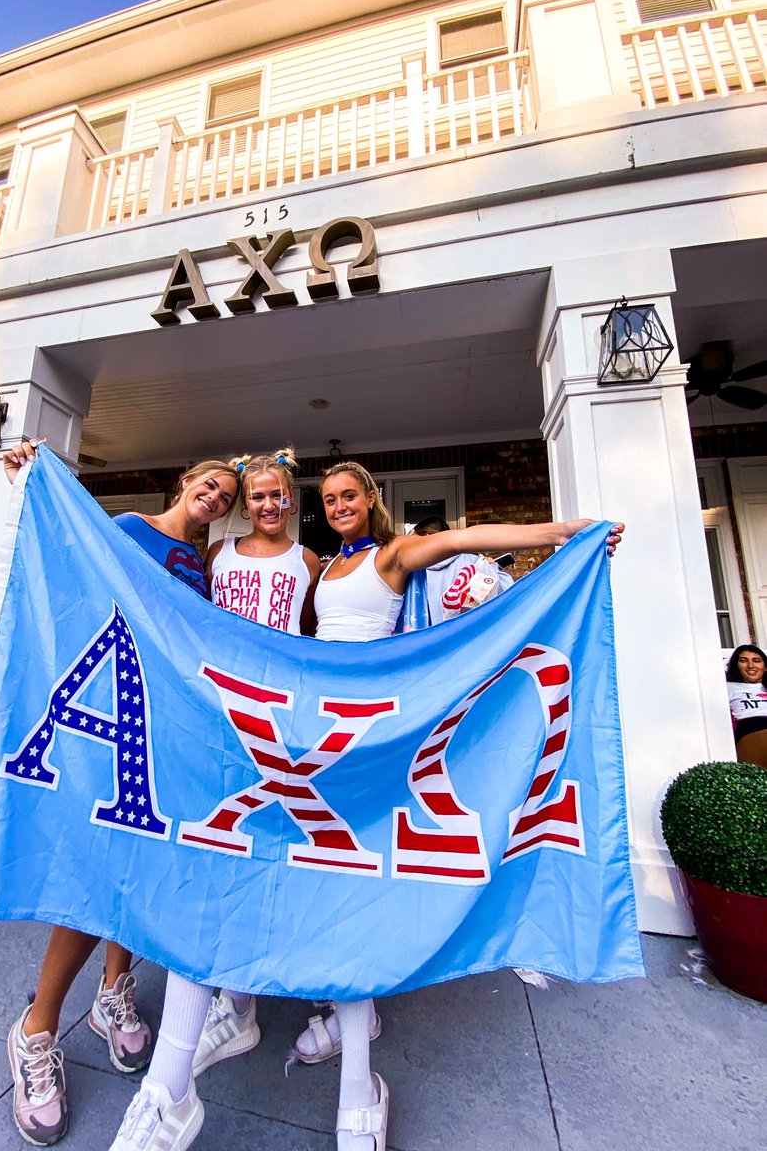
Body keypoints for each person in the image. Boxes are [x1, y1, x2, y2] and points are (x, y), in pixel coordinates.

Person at [110, 457, 622, 1151]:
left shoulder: (393, 552)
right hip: (293, 724)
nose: (340, 504)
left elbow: (468, 539)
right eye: (331, 497)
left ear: (371, 499)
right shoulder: (320, 569)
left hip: (365, 737)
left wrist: (565, 532)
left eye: (349, 494)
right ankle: (188, 1069)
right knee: (229, 860)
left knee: (344, 895)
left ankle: (357, 1085)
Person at [1, 439, 246, 1147]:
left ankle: (114, 992)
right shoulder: (132, 527)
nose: (218, 497)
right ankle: (37, 1024)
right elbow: (67, 557)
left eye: (226, 496)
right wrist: (35, 478)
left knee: (142, 866)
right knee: (98, 866)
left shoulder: (202, 564)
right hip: (111, 714)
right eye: (211, 484)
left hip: (166, 728)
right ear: (184, 480)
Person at [109, 447, 321, 1149]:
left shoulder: (311, 563)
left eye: (274, 495)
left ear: (291, 499)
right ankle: (213, 1025)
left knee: (259, 853)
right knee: (210, 848)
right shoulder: (215, 554)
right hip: (212, 718)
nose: (264, 504)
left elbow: (324, 638)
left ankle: (240, 1001)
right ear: (238, 503)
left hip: (278, 719)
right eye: (250, 495)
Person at [410, 514, 513, 624]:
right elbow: (506, 592)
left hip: (423, 636)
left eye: (413, 539)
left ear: (426, 536)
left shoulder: (411, 569)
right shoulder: (473, 562)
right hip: (465, 633)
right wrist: (492, 567)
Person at [725, 644, 767, 768]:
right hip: (750, 729)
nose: (750, 666)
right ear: (736, 666)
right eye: (743, 661)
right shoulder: (728, 687)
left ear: (765, 667)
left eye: (757, 661)